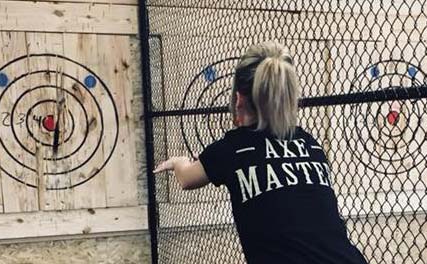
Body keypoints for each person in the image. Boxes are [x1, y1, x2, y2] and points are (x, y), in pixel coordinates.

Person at [153, 41, 368, 264]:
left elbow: (186, 178)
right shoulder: (309, 143)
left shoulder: (232, 148)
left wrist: (179, 161)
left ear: (238, 98)